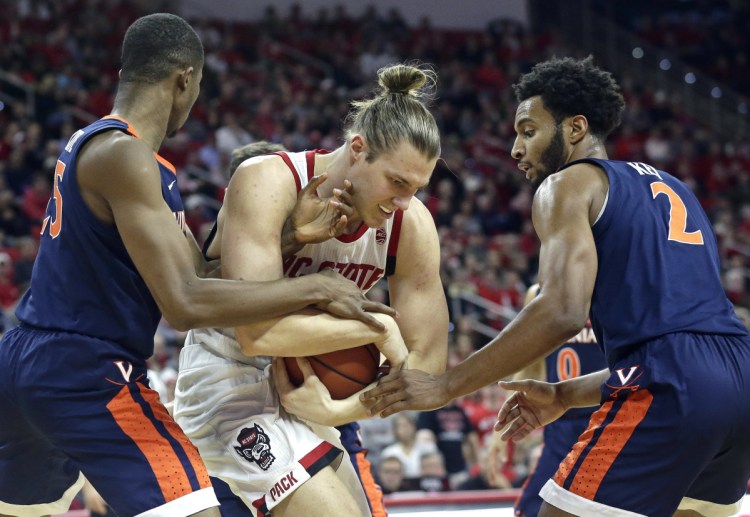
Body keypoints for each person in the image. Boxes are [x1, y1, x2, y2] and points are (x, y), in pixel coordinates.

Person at [0, 14, 395, 517]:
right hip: (86, 369)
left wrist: (294, 236)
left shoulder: (101, 146)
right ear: (184, 79)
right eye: (199, 86)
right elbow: (185, 303)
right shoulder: (127, 157)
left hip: (23, 359)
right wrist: (315, 286)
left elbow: (202, 275)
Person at [362, 56, 750, 516]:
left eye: (528, 131)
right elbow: (679, 348)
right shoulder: (675, 187)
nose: (515, 148)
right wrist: (564, 396)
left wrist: (447, 385)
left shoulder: (567, 184)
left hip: (673, 385)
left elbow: (562, 312)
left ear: (575, 128)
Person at [173, 62, 448, 517]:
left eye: (417, 188)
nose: (404, 201)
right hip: (230, 380)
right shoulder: (268, 180)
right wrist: (376, 327)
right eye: (397, 182)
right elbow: (257, 335)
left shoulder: (412, 225)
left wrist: (342, 411)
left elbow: (427, 367)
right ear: (357, 149)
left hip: (313, 396)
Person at [487, 283, 606, 516]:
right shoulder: (539, 292)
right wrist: (498, 434)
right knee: (531, 509)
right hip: (560, 423)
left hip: (609, 419)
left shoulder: (617, 285)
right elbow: (531, 368)